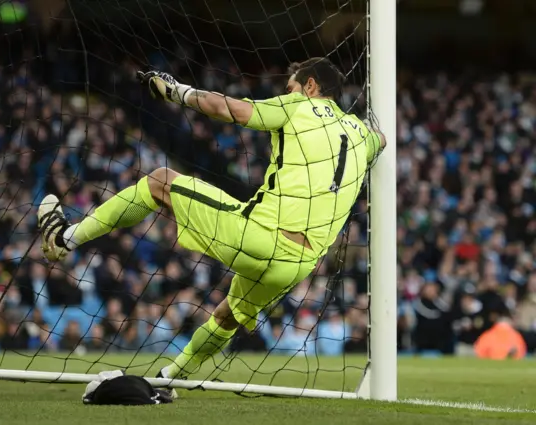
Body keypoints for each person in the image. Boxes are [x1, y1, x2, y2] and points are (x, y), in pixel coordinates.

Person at [36, 57, 386, 392]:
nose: (289, 92)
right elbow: (381, 140)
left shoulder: (298, 106)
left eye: (292, 87)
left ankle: (64, 238)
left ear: (310, 86)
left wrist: (177, 91)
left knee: (160, 181)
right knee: (228, 315)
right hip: (300, 266)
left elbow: (228, 109)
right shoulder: (361, 136)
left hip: (260, 238)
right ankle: (171, 378)